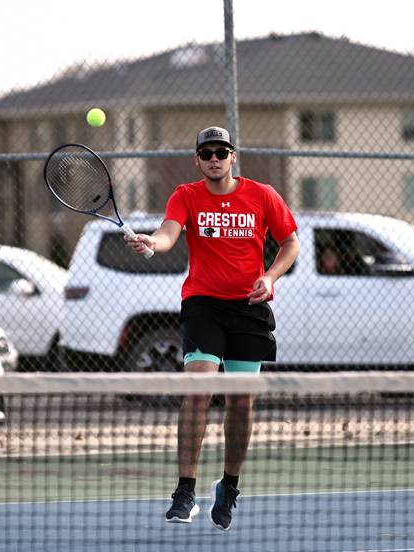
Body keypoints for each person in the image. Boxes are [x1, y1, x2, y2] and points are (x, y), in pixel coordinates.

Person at [125, 126, 299, 531]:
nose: (215, 158)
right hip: (203, 305)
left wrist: (270, 277)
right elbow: (169, 233)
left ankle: (230, 485)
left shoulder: (262, 195)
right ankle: (185, 489)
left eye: (222, 151)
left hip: (249, 308)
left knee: (240, 403)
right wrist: (152, 242)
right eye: (207, 153)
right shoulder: (186, 196)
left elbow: (290, 242)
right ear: (198, 160)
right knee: (198, 392)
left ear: (233, 156)